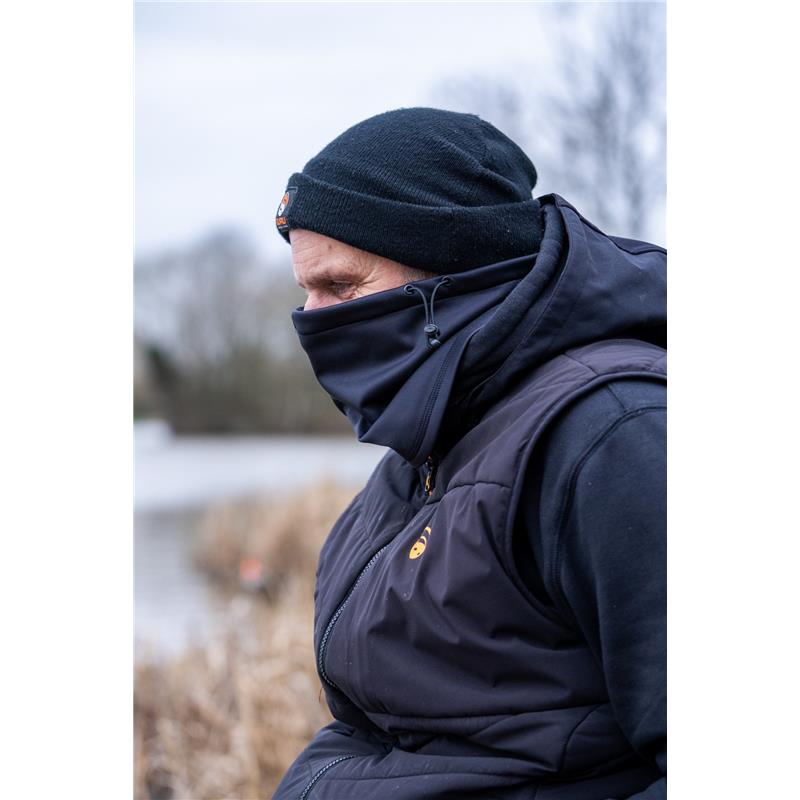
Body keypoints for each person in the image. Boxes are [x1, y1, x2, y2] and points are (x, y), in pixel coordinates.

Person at [272, 108, 666, 800]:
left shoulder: (614, 433)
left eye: (340, 286)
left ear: (453, 272)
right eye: (305, 291)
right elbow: (379, 727)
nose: (312, 319)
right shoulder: (424, 447)